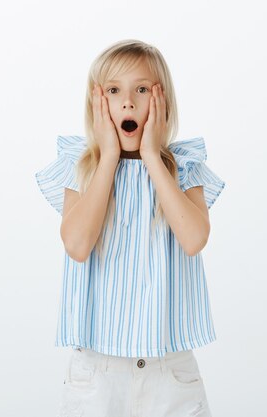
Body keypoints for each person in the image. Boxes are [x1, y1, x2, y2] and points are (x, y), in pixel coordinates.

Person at [35, 39, 225, 417]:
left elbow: (193, 239)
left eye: (142, 89)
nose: (128, 102)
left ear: (163, 102)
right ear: (97, 103)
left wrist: (153, 155)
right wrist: (107, 156)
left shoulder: (184, 166)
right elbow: (77, 244)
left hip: (168, 369)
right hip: (97, 371)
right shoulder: (81, 165)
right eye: (113, 91)